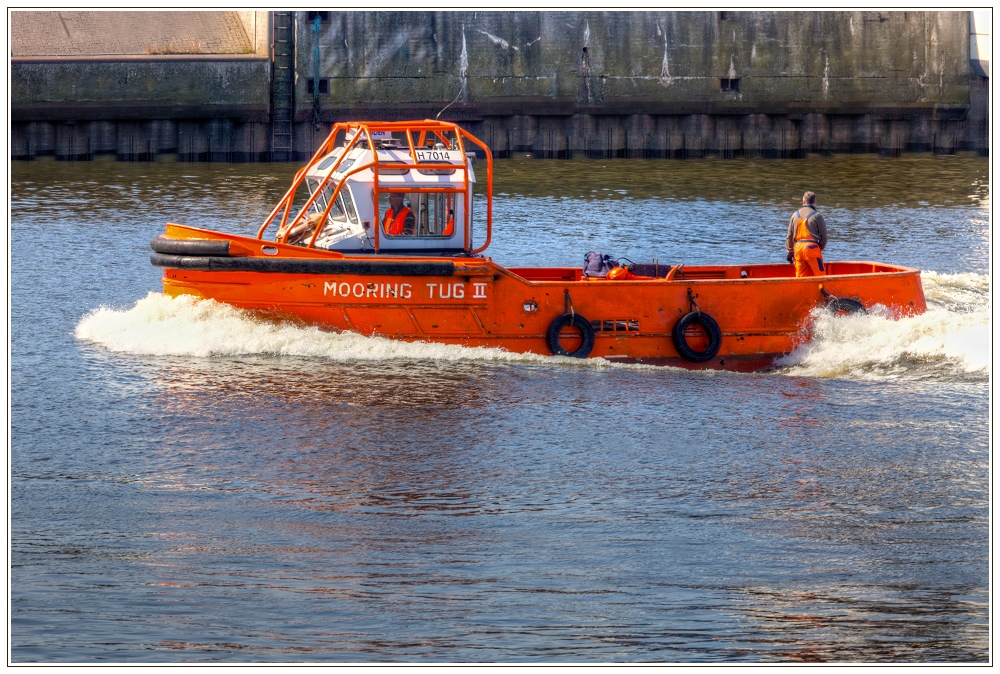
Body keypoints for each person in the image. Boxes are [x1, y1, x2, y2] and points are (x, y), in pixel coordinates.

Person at [785, 191, 828, 277]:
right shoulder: (817, 215)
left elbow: (789, 236)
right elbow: (824, 237)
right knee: (820, 275)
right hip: (811, 248)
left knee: (800, 276)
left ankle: (801, 290)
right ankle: (822, 289)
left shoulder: (794, 215)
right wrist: (819, 248)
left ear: (803, 201)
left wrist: (790, 251)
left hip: (798, 249)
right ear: (814, 202)